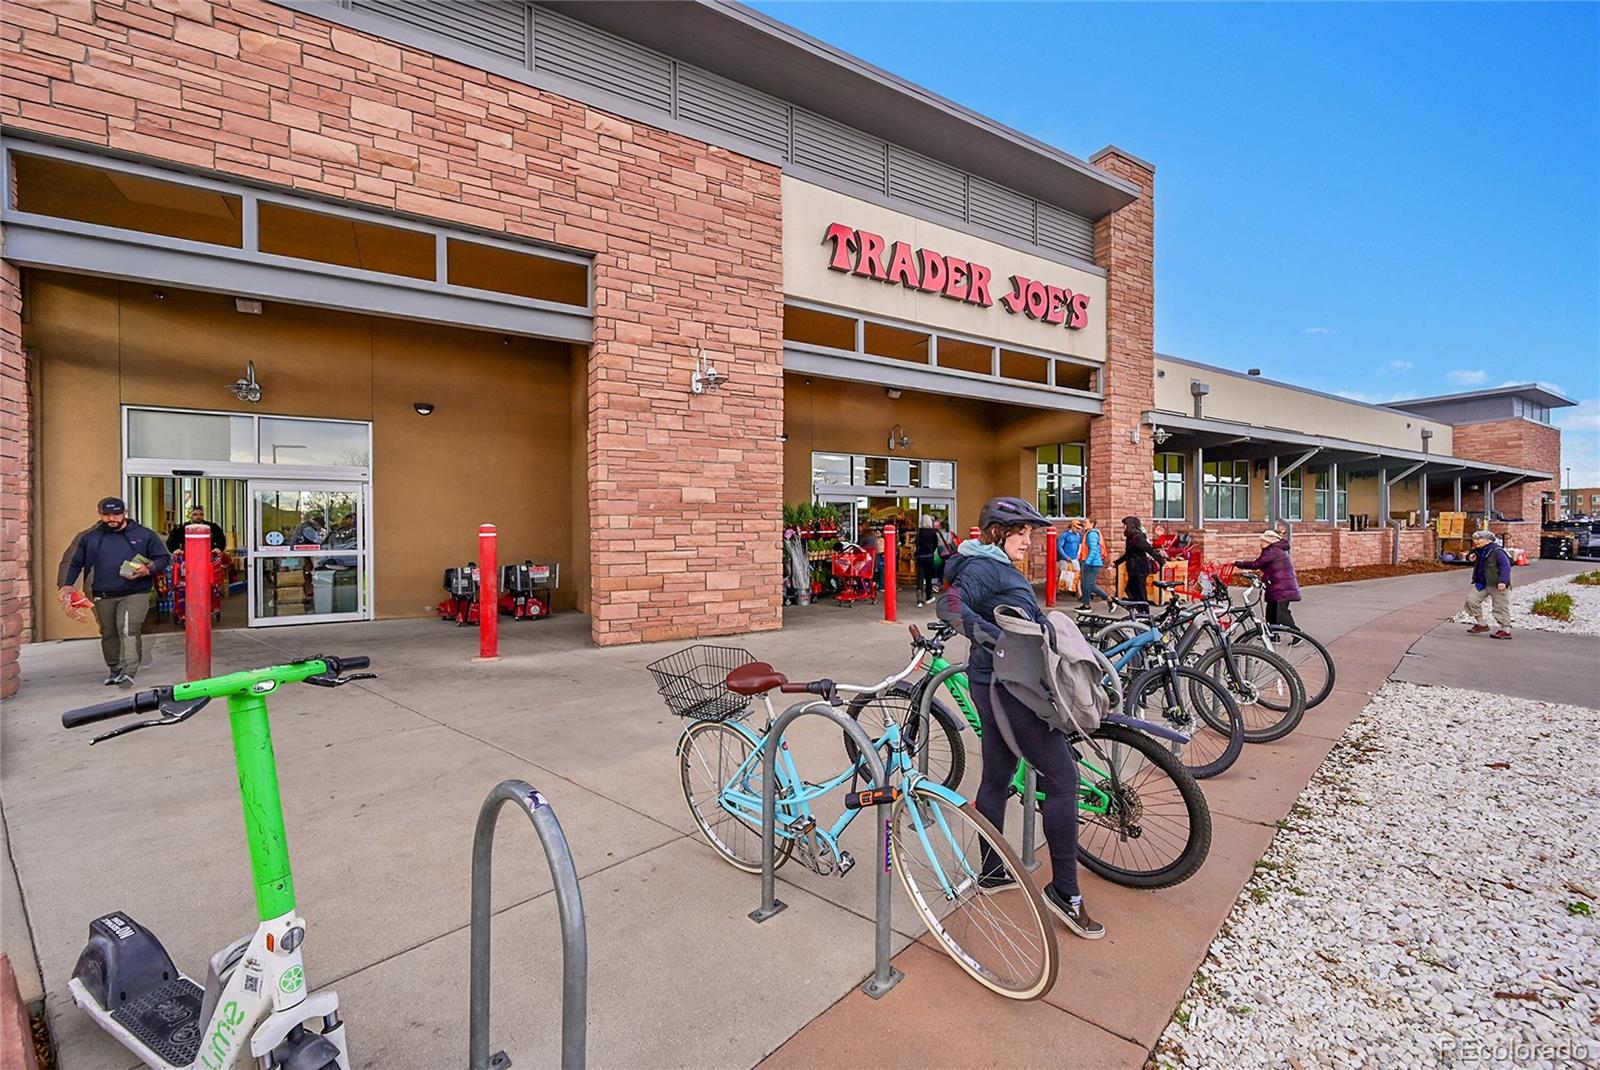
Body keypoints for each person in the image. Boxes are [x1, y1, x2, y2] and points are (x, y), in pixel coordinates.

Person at [938, 495, 1105, 939]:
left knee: (997, 775)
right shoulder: (984, 567)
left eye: (1031, 534)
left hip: (1002, 682)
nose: (1029, 541)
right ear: (997, 531)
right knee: (1062, 781)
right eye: (1022, 533)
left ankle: (992, 872)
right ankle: (1065, 893)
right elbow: (950, 607)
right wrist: (1000, 640)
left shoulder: (990, 564)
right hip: (1008, 686)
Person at [56, 496, 170, 687]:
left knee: (128, 628)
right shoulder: (88, 537)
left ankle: (129, 670)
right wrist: (65, 585)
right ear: (99, 514)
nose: (111, 518)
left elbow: (163, 558)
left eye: (116, 514)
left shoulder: (144, 535)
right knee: (108, 632)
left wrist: (147, 569)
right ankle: (115, 669)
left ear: (124, 513)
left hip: (136, 592)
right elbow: (72, 561)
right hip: (102, 593)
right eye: (106, 515)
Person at [1234, 529, 1302, 628]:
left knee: (1280, 613)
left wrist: (1238, 563)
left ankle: (1296, 634)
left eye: (1263, 541)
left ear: (1270, 541)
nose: (1260, 543)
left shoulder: (1273, 551)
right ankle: (1273, 634)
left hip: (1282, 588)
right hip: (1278, 586)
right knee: (1271, 612)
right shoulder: (1274, 550)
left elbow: (1257, 564)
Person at [1464, 530, 1513, 639]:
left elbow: (1505, 566)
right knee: (1471, 600)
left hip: (1497, 584)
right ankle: (1481, 624)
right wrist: (1471, 557)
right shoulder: (1479, 551)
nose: (1476, 541)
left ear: (1488, 540)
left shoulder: (1497, 551)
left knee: (1500, 607)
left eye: (1478, 539)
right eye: (1475, 539)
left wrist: (1503, 581)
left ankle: (1505, 630)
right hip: (1482, 583)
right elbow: (1472, 557)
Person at [1059, 518, 1110, 609]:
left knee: (1089, 585)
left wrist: (1087, 562)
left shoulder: (1091, 534)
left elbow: (1093, 550)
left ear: (1092, 523)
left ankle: (1109, 599)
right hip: (1086, 561)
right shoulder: (1073, 534)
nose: (1084, 524)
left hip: (1091, 563)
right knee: (1085, 584)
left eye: (1086, 522)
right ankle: (1086, 604)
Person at [1112, 515, 1164, 606]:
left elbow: (1149, 549)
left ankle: (1144, 611)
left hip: (1140, 568)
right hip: (1133, 568)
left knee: (1140, 591)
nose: (1123, 527)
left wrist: (1161, 561)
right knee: (1131, 589)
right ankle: (1139, 609)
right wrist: (1116, 563)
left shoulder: (1138, 537)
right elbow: (1128, 553)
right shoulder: (1130, 537)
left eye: (1124, 525)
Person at [914, 514, 940, 607]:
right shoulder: (933, 533)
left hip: (920, 556)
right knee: (928, 578)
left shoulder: (919, 532)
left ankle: (919, 596)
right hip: (929, 556)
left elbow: (916, 543)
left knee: (920, 577)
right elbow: (936, 544)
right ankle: (928, 596)